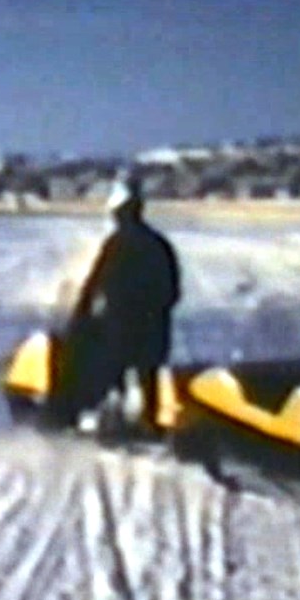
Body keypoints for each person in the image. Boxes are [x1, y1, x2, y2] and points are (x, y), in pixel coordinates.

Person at [49, 175, 181, 431]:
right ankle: (150, 419)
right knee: (148, 374)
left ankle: (110, 415)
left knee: (105, 365)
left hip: (121, 327)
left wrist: (81, 316)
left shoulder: (116, 245)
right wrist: (156, 310)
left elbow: (93, 284)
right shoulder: (159, 245)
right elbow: (173, 291)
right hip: (154, 328)